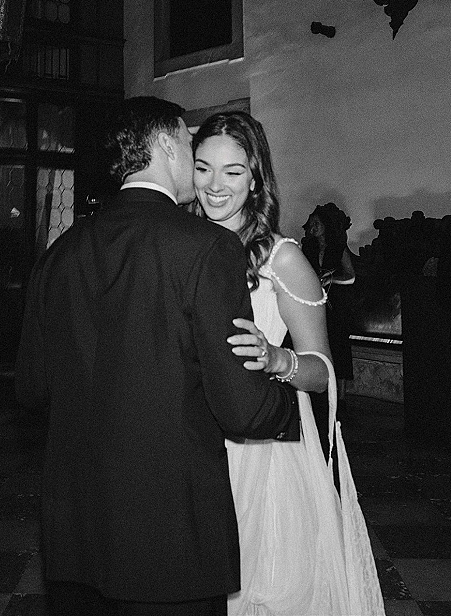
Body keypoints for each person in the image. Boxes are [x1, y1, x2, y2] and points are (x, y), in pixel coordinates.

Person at [15, 96, 299, 616]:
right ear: (168, 143)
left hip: (75, 530)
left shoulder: (59, 253)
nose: (194, 157)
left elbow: (32, 390)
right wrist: (293, 410)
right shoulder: (207, 248)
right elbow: (242, 408)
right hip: (169, 535)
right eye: (190, 143)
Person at [192, 111, 385, 616]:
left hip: (263, 451)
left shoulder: (282, 259)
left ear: (255, 179)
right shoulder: (180, 245)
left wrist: (276, 358)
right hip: (192, 444)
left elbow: (322, 371)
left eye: (232, 172)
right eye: (203, 168)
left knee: (266, 587)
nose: (215, 186)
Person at [302, 202, 357, 412]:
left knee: (339, 343)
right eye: (311, 223)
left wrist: (329, 280)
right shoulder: (307, 247)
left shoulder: (338, 248)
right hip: (315, 303)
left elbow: (351, 277)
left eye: (317, 223)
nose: (313, 227)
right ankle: (318, 390)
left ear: (326, 225)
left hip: (336, 304)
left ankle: (340, 398)